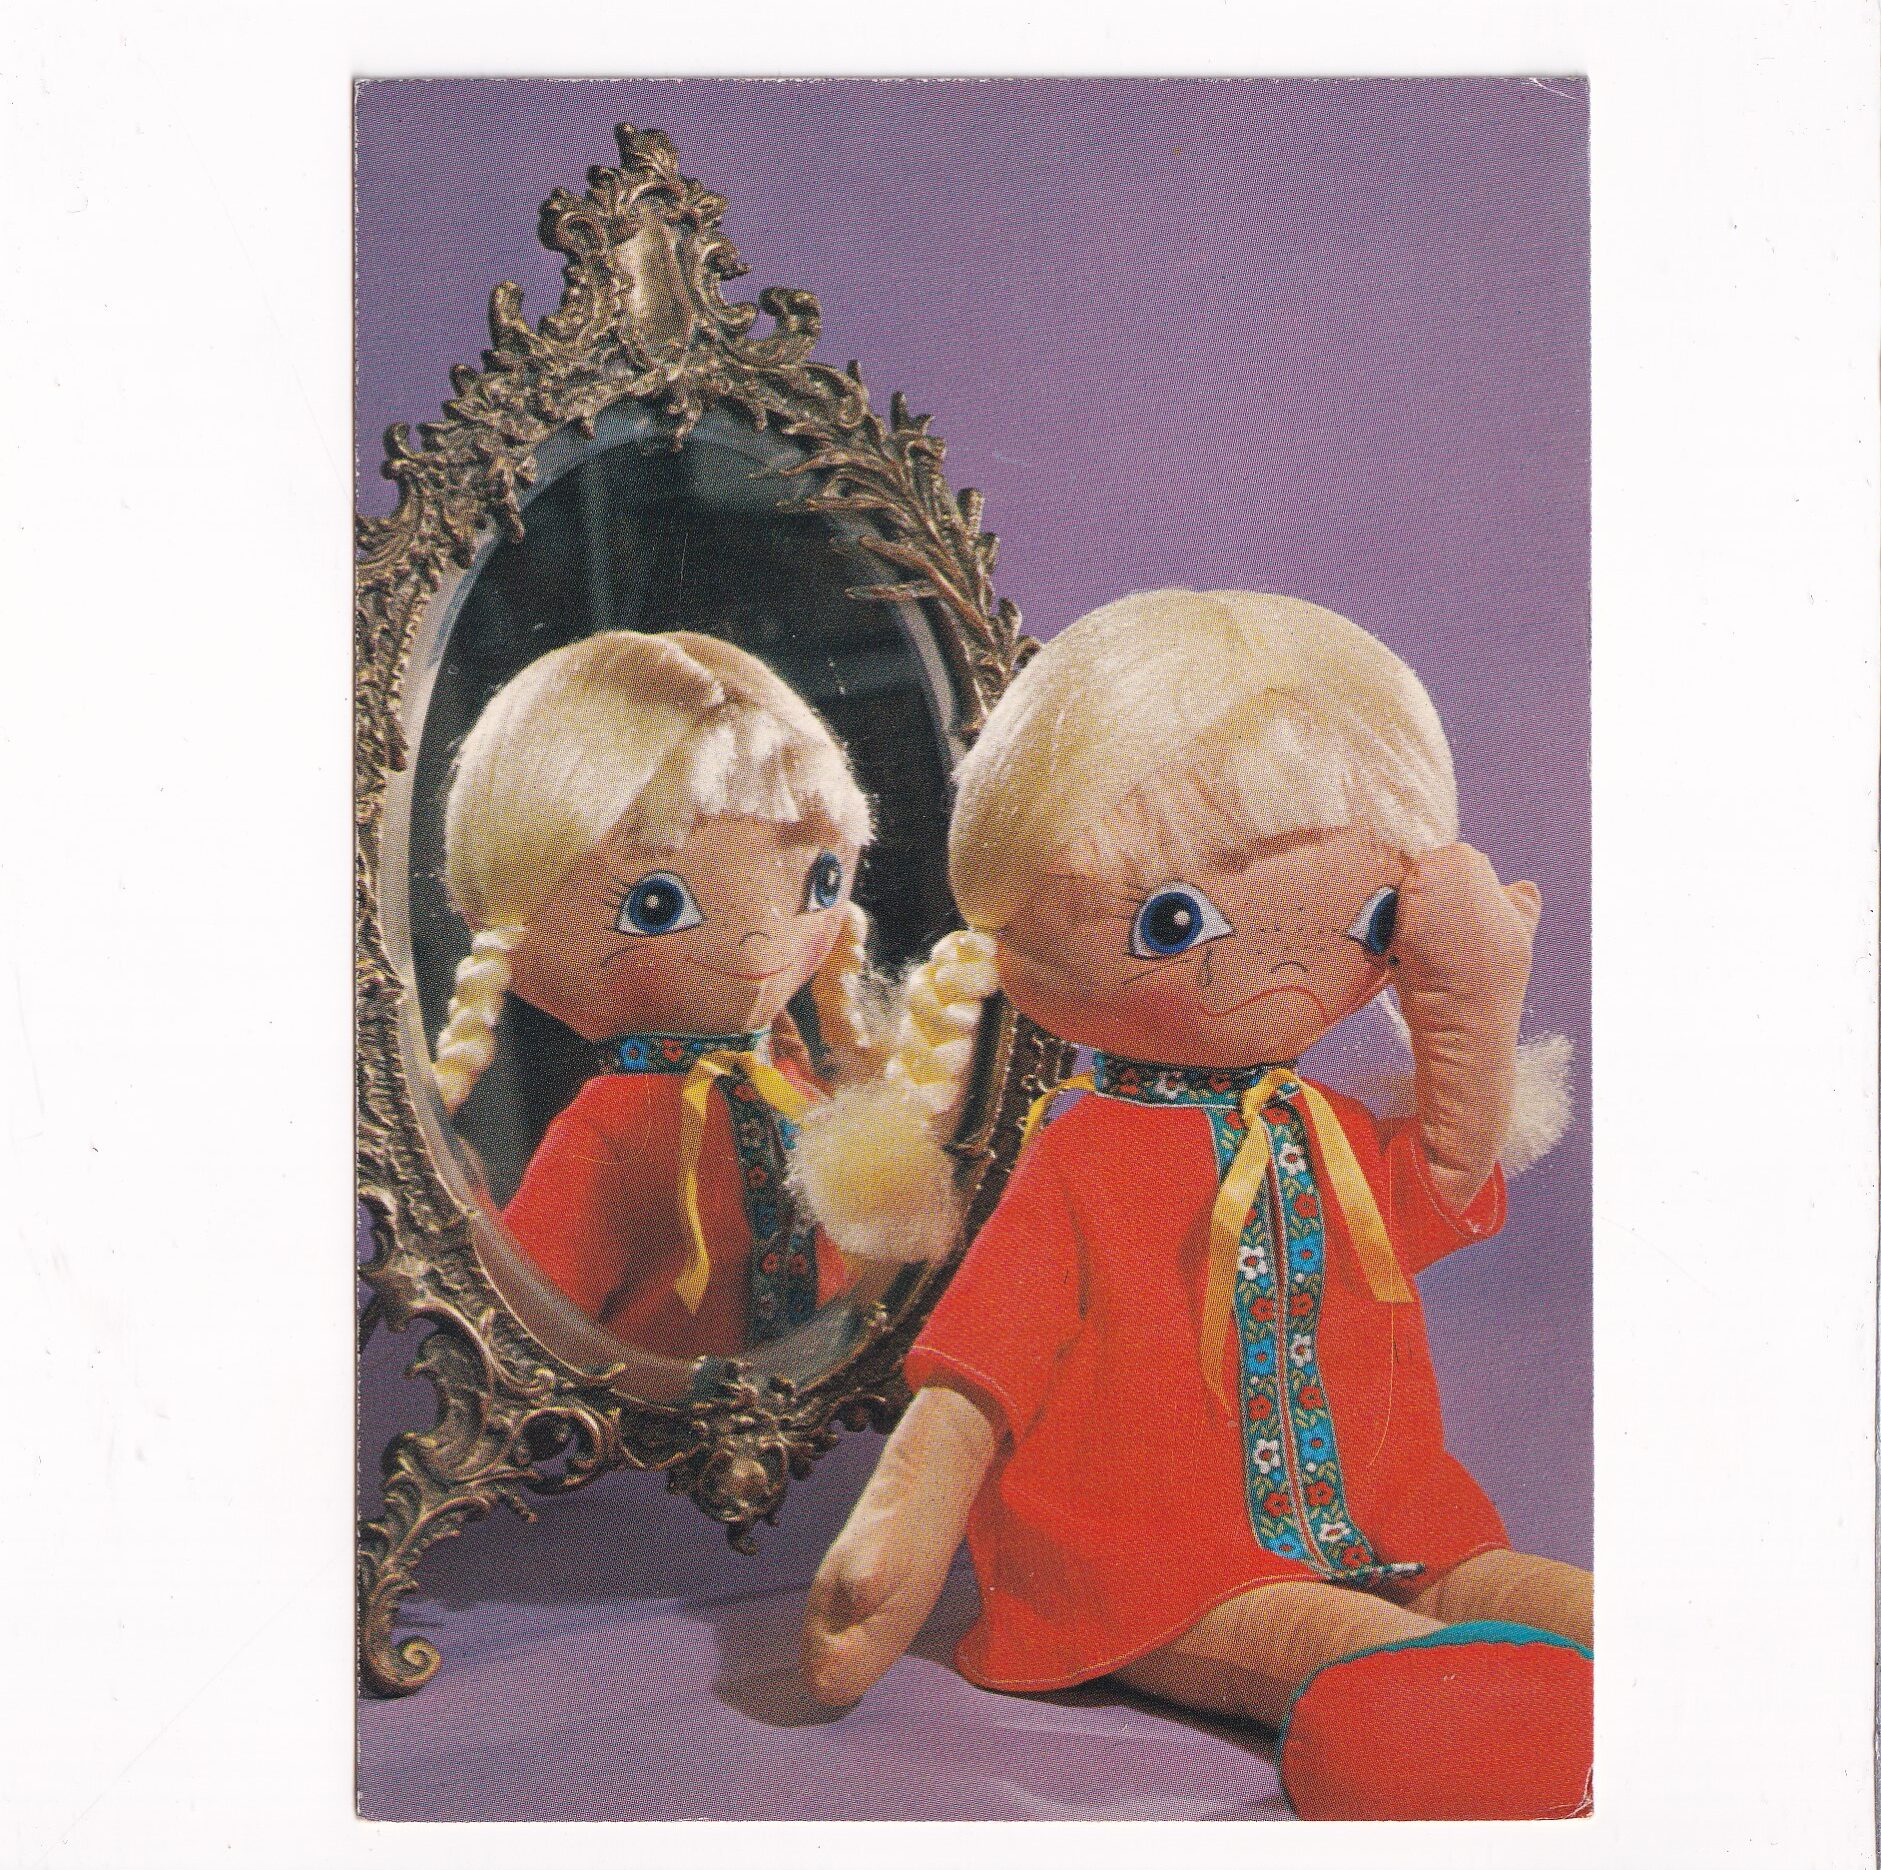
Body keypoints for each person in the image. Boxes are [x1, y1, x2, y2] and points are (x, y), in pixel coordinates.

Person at [798, 589, 1591, 1820]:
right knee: (1343, 1645)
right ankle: (1467, 1731)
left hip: (1387, 1512)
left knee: (1542, 1599)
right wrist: (896, 1544)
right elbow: (977, 1373)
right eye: (1178, 922)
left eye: (1369, 918)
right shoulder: (1083, 1156)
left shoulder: (1322, 1126)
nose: (1283, 965)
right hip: (1155, 1561)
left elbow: (1442, 1177)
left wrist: (1474, 1007)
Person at [430, 628, 883, 1360]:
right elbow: (528, 1321)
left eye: (820, 882)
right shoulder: (610, 1134)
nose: (759, 939)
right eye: (656, 907)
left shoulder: (794, 1087)